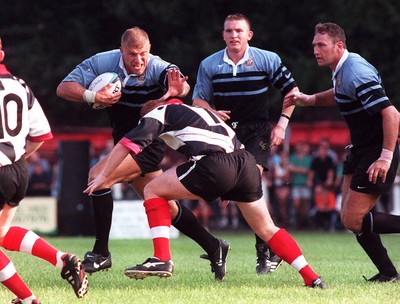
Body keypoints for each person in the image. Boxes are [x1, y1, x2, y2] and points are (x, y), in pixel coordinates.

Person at [85, 99, 326, 288]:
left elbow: (126, 145)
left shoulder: (157, 113)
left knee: (152, 189)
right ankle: (311, 276)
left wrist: (104, 176)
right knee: (267, 228)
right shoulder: (199, 111)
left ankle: (162, 258)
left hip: (216, 164)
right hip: (246, 163)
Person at [57, 27, 229, 280]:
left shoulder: (158, 67)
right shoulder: (102, 62)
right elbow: (63, 88)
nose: (139, 60)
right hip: (123, 143)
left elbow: (180, 85)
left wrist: (179, 90)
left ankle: (101, 252)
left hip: (148, 142)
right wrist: (92, 95)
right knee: (164, 206)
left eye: (143, 54)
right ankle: (214, 246)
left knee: (98, 177)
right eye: (132, 55)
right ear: (121, 52)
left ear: (150, 51)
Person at [285, 22, 400, 282]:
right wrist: (311, 99)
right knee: (350, 217)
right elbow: (341, 94)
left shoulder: (355, 71)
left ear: (339, 46)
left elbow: (392, 114)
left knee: (353, 219)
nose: (315, 50)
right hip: (360, 149)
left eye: (321, 45)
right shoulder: (342, 69)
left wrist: (385, 156)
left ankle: (388, 272)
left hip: (375, 151)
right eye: (314, 44)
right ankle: (388, 273)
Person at [192, 13, 298, 274]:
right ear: (223, 35)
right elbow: (198, 101)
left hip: (257, 132)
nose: (233, 35)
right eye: (228, 30)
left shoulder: (266, 60)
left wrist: (282, 124)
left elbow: (292, 91)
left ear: (249, 35)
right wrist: (211, 111)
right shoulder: (209, 64)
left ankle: (264, 253)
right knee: (243, 191)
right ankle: (270, 249)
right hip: (225, 133)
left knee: (251, 186)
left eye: (239, 30)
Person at [0, 37, 88, 304]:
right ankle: (62, 259)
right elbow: (41, 134)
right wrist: (19, 155)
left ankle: (29, 300)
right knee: (2, 234)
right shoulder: (21, 85)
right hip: (18, 170)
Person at [288, 142, 312, 229]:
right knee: (296, 203)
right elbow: (290, 169)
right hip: (296, 183)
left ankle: (303, 222)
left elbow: (309, 171)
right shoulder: (293, 157)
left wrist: (295, 169)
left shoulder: (308, 158)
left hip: (305, 184)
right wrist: (302, 170)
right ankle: (297, 221)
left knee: (304, 204)